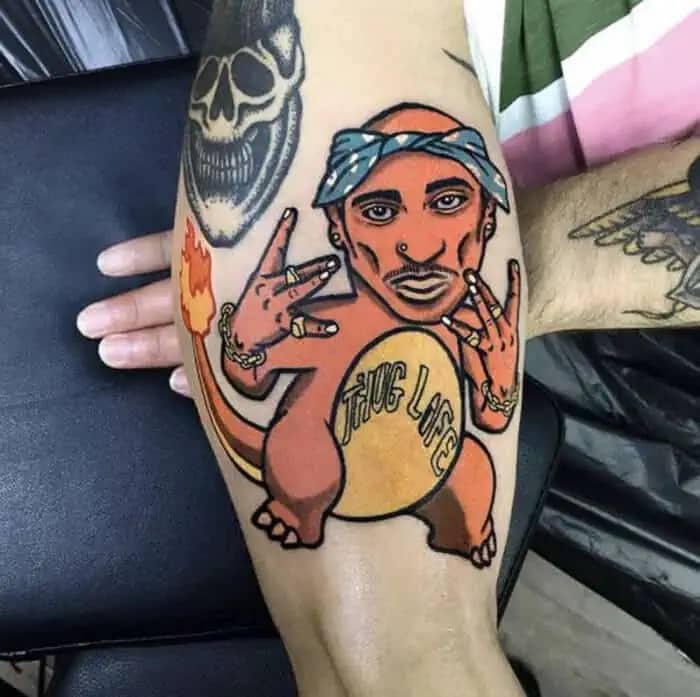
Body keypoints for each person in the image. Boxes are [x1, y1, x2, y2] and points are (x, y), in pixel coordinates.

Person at [76, 2, 700, 695]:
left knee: (462, 490)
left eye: (449, 203)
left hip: (443, 440)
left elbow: (489, 413)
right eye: (378, 212)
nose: (418, 247)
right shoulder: (330, 319)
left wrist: (505, 312)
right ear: (339, 232)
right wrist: (248, 344)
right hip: (325, 466)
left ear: (482, 220)